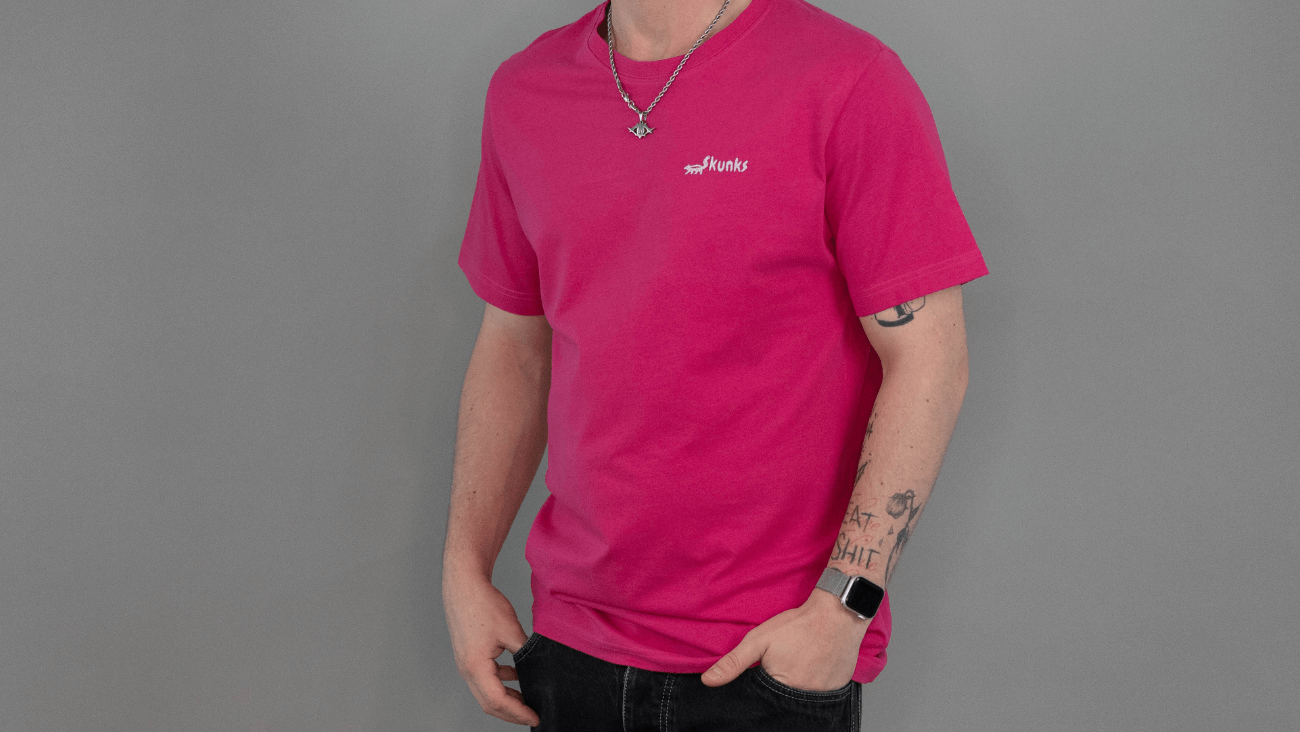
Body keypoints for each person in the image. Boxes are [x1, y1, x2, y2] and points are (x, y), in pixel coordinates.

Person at [443, 0, 988, 728]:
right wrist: (465, 569)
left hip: (771, 655)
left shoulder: (846, 79)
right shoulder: (525, 92)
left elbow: (930, 357)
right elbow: (515, 346)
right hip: (572, 646)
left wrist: (844, 606)